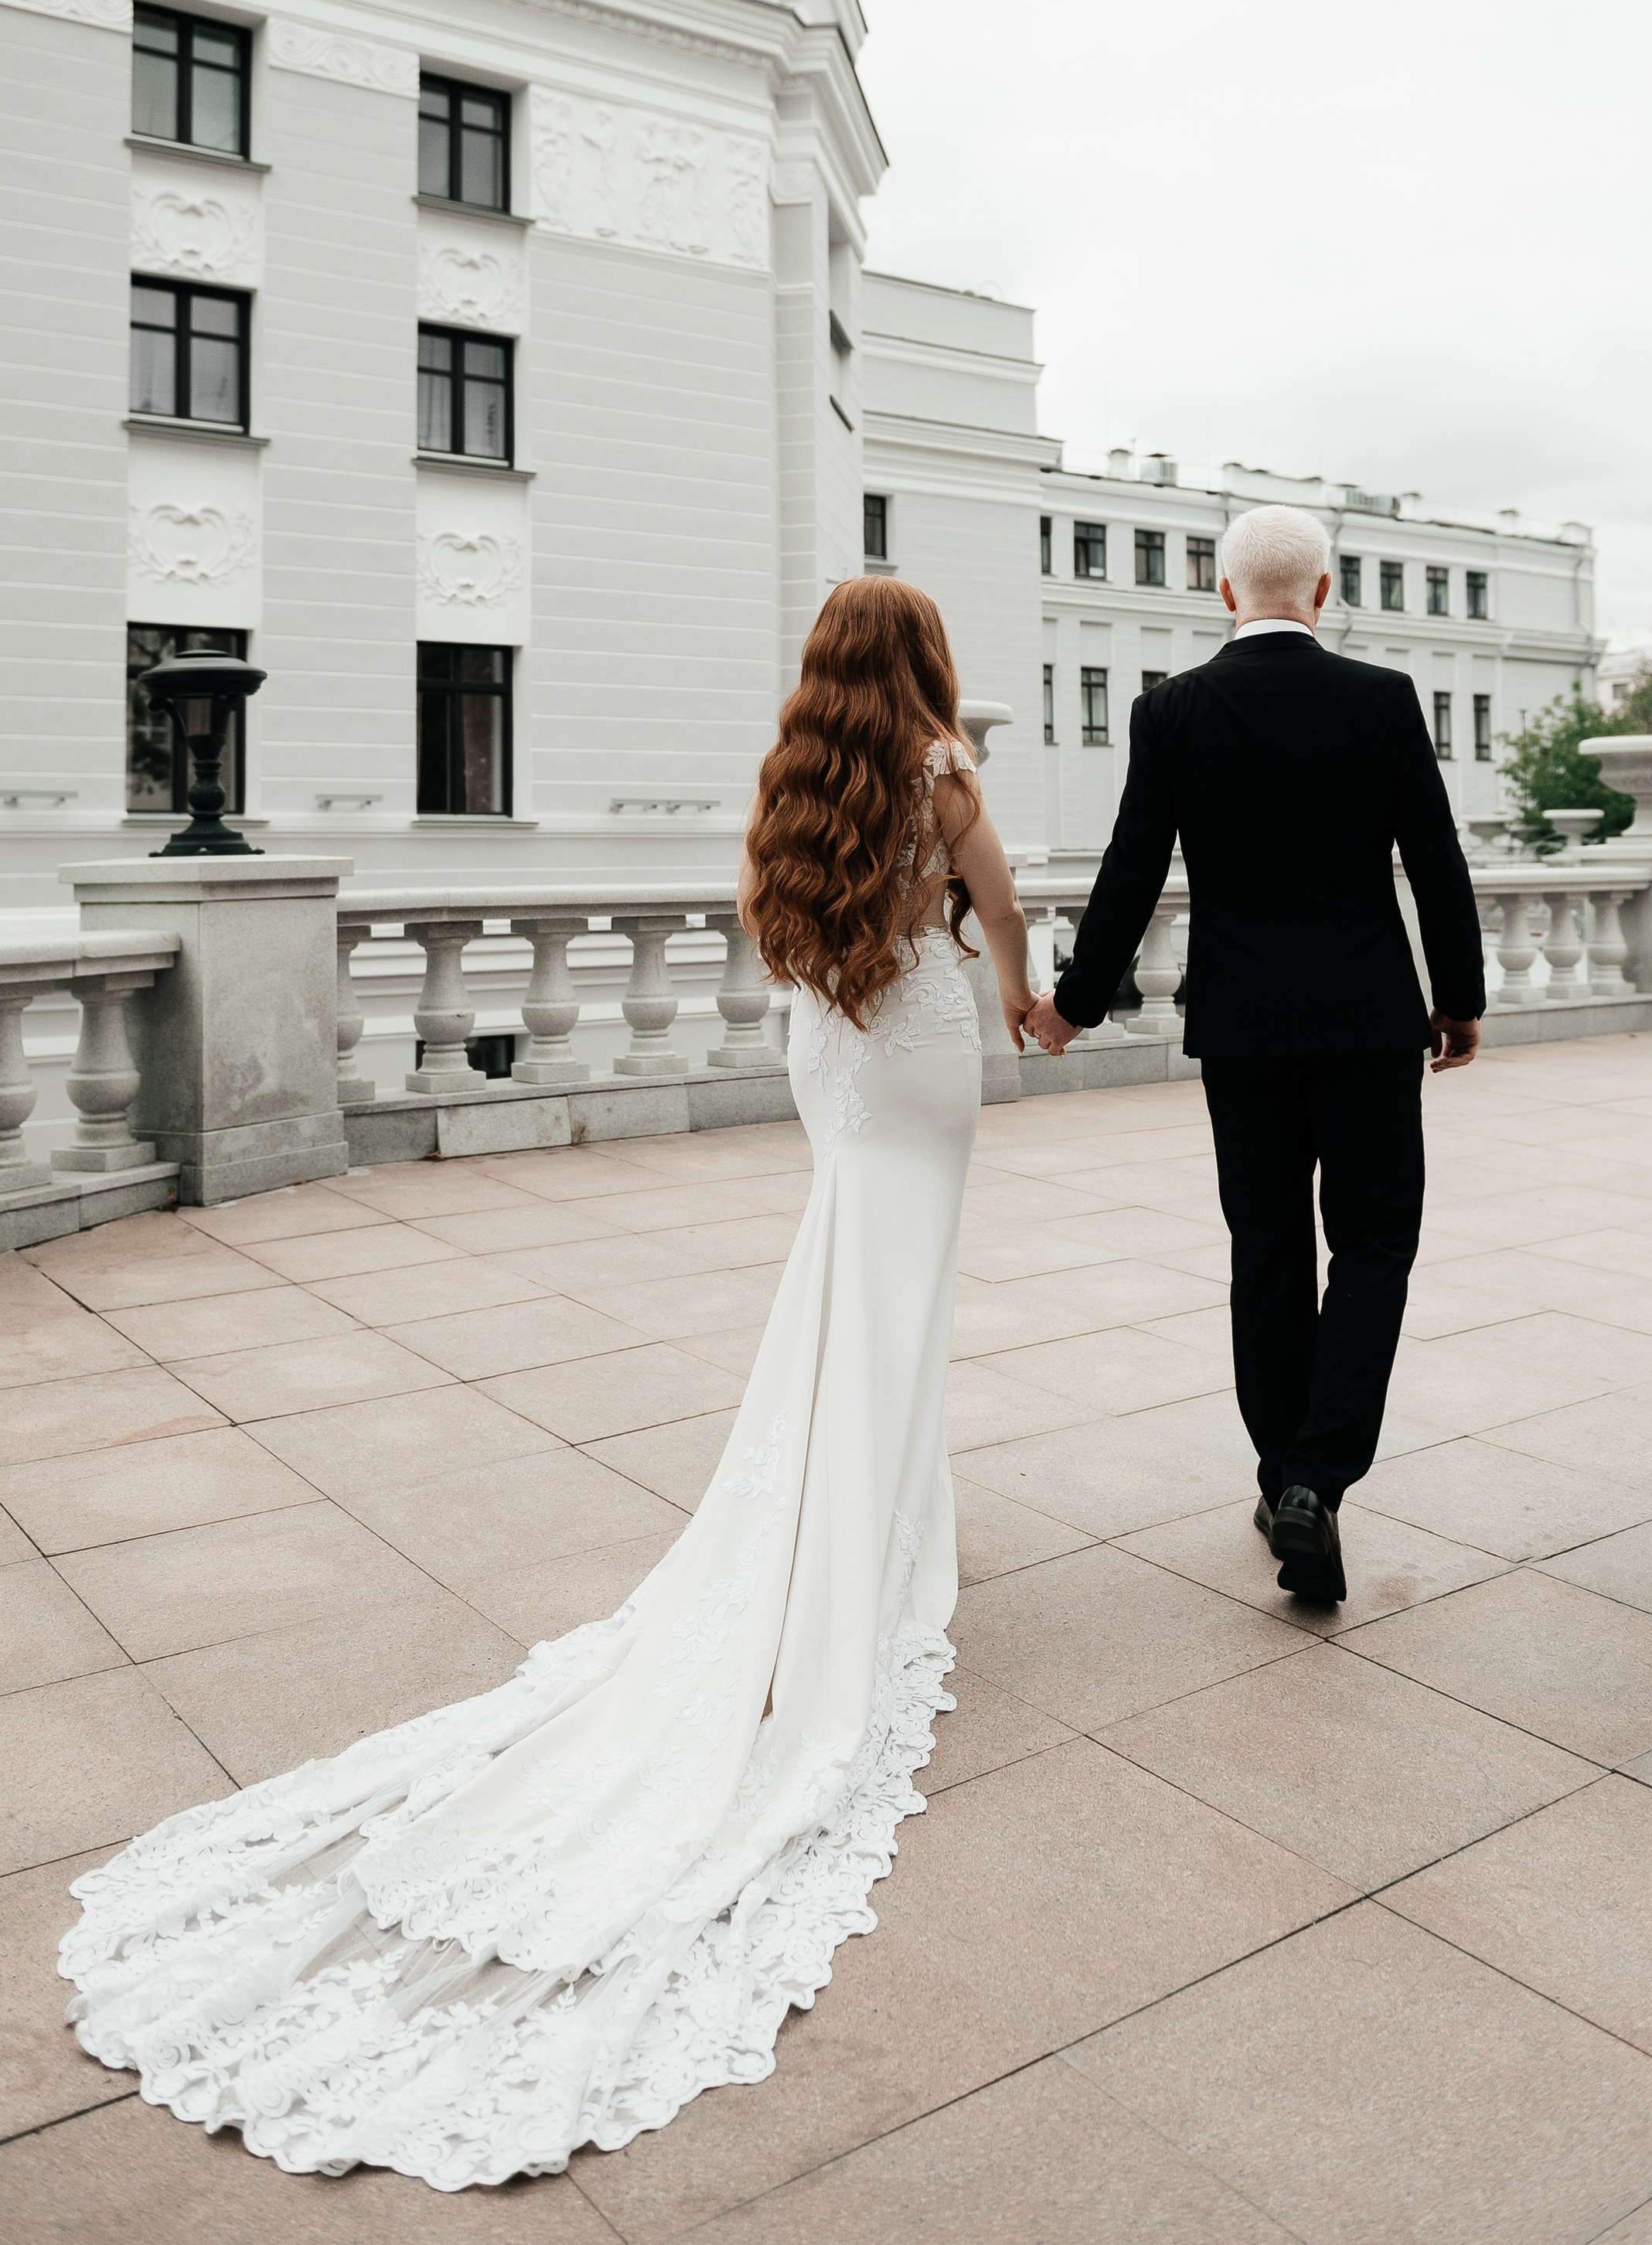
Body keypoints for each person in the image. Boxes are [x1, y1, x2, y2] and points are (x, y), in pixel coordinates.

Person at [60, 576, 1033, 2191]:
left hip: (833, 1045)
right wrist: (1023, 990)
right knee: (894, 1298)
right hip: (920, 1049)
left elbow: (774, 916)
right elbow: (1000, 909)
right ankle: (873, 1551)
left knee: (841, 1284)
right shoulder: (942, 771)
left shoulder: (802, 768)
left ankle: (864, 1526)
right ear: (927, 659)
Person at [1024, 504, 1483, 1603]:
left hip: (1241, 1025)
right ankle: (1320, 1478)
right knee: (1373, 1244)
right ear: (1324, 594)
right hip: (1370, 1020)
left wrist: (1073, 1005)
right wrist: (1459, 997)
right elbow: (1435, 857)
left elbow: (1132, 868)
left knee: (1265, 1248)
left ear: (1225, 595)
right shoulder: (1380, 699)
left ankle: (1284, 1473)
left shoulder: (1172, 709)